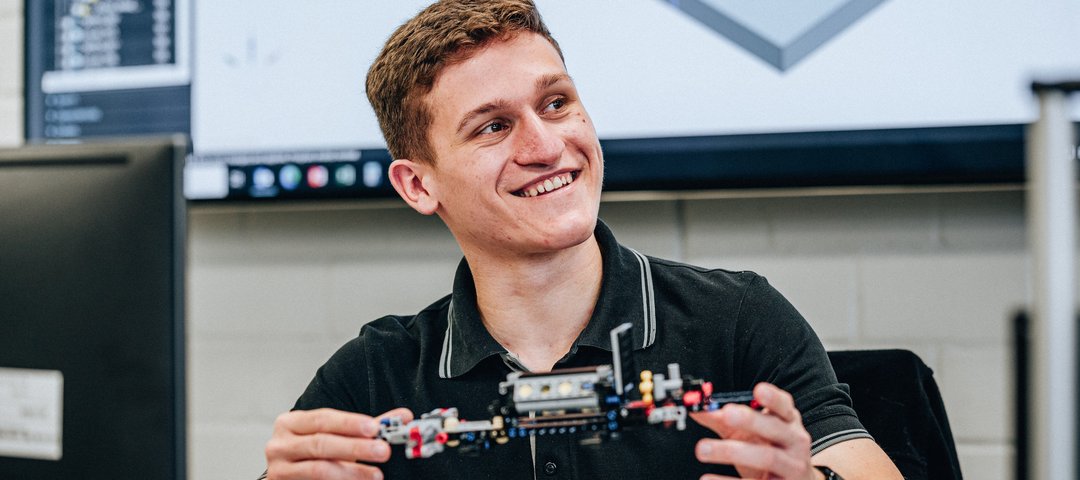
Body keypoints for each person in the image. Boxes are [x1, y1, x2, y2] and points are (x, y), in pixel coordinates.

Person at [263, 1, 904, 479]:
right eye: (492, 128)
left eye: (556, 103)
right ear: (418, 186)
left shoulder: (736, 319)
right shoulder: (377, 375)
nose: (545, 148)